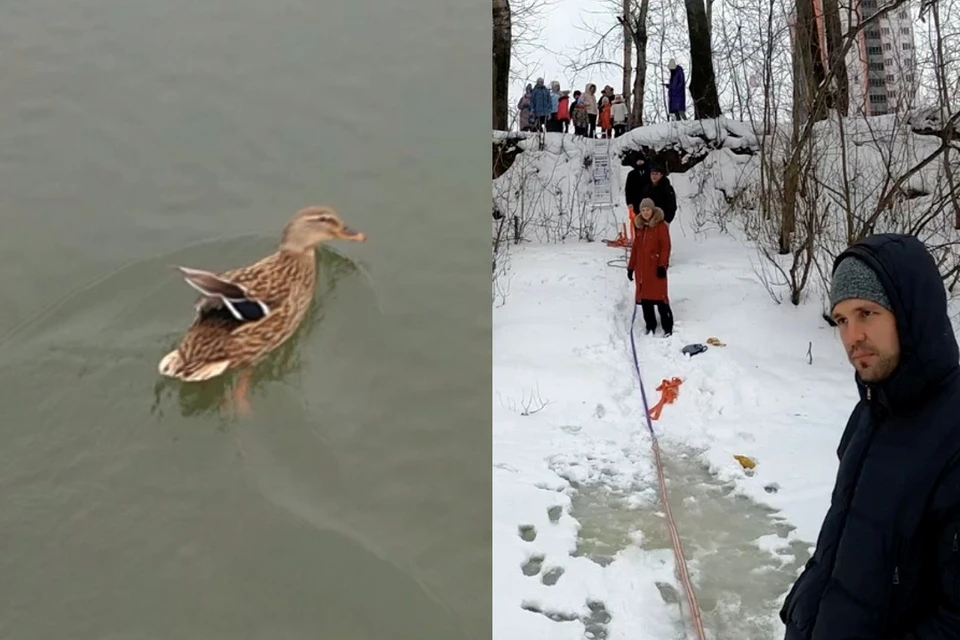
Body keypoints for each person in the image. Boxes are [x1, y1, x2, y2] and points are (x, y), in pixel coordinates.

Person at [779, 233, 960, 639]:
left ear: (911, 313)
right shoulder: (870, 413)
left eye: (867, 313)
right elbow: (842, 540)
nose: (852, 336)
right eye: (841, 320)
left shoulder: (953, 434)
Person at [626, 198, 673, 337]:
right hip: (642, 270)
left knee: (660, 299)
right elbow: (635, 248)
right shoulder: (639, 226)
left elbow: (666, 247)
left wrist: (662, 265)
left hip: (655, 267)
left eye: (648, 210)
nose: (646, 213)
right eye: (643, 210)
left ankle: (667, 326)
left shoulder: (660, 226)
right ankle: (650, 325)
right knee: (646, 300)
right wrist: (631, 267)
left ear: (652, 210)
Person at [624, 152, 651, 236]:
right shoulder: (631, 174)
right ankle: (637, 239)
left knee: (649, 222)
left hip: (648, 203)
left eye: (641, 161)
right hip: (636, 202)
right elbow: (628, 189)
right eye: (638, 161)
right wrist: (629, 203)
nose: (640, 163)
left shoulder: (650, 172)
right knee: (637, 222)